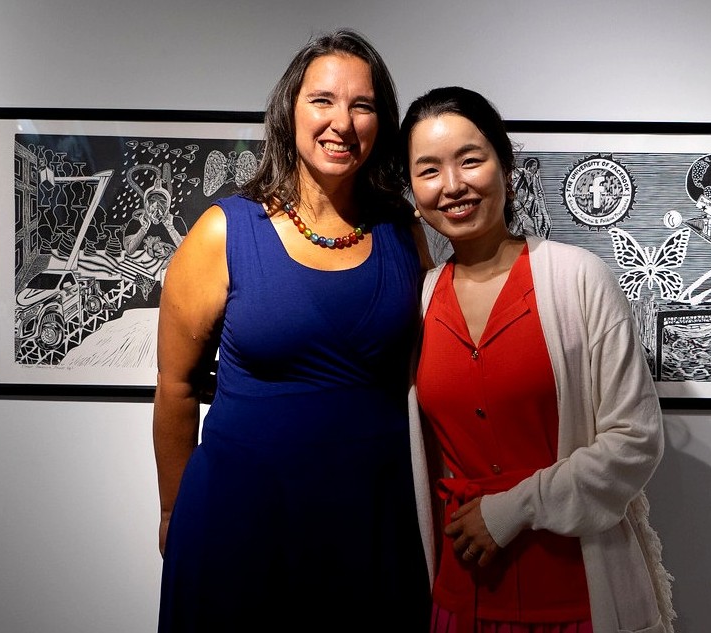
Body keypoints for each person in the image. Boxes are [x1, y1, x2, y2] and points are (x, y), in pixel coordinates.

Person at [153, 29, 432, 630]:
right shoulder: (223, 232)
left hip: (373, 522)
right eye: (323, 100)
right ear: (290, 110)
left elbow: (426, 375)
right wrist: (174, 515)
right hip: (238, 524)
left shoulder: (404, 235)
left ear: (382, 121)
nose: (343, 122)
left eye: (363, 105)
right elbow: (175, 388)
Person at [400, 86, 675, 633]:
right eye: (428, 170)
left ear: (506, 166)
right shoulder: (420, 298)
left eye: (470, 160)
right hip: (463, 591)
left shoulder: (579, 279)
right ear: (411, 189)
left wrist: (511, 509)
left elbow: (635, 439)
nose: (452, 185)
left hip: (577, 589)